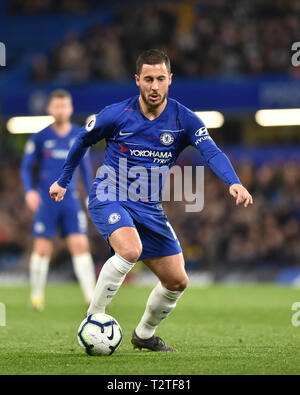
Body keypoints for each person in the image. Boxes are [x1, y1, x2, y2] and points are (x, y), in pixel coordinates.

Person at [49, 50, 253, 351]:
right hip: (110, 195)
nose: (154, 86)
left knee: (177, 281)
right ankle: (93, 316)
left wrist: (233, 182)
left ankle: (144, 335)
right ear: (137, 80)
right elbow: (82, 140)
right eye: (148, 79)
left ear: (170, 80)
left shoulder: (184, 119)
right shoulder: (116, 114)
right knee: (130, 250)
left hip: (149, 207)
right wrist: (63, 180)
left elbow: (211, 151)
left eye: (160, 79)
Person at [21, 89, 96, 311]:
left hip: (70, 199)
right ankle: (36, 297)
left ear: (70, 109)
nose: (61, 110)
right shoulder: (40, 137)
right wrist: (29, 191)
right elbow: (26, 168)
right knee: (42, 247)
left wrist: (90, 197)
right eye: (57, 106)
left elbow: (85, 169)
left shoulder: (79, 136)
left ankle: (91, 298)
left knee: (80, 245)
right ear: (50, 109)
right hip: (46, 200)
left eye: (65, 106)